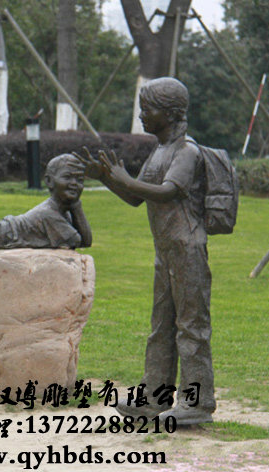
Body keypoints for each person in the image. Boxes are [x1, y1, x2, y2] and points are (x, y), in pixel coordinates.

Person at [76, 77, 216, 425]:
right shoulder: (160, 151)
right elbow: (137, 196)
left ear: (170, 113)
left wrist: (125, 179)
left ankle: (197, 404)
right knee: (161, 326)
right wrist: (107, 178)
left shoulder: (187, 152)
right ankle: (155, 397)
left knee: (191, 326)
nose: (141, 116)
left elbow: (169, 192)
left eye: (147, 109)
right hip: (166, 250)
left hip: (187, 249)